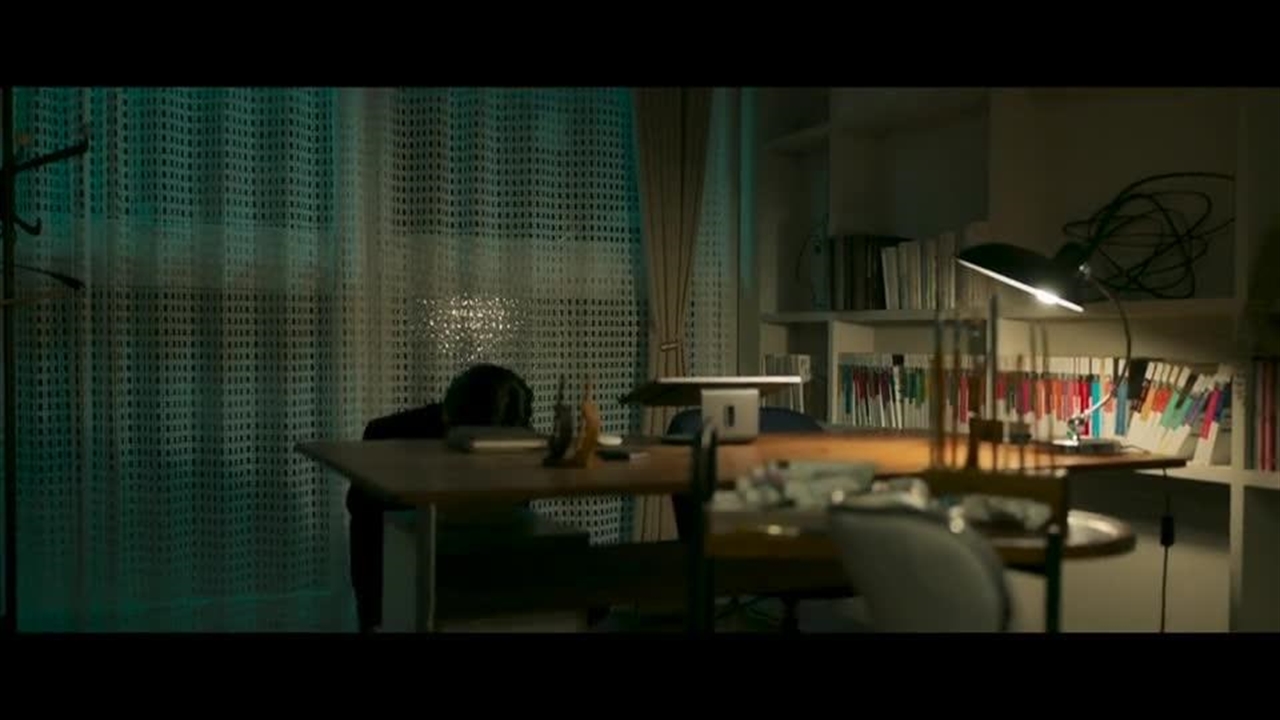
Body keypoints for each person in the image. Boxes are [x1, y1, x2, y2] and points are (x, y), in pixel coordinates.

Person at [345, 363, 535, 632]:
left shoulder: (516, 437)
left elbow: (517, 522)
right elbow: (367, 534)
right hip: (398, 575)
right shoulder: (388, 437)